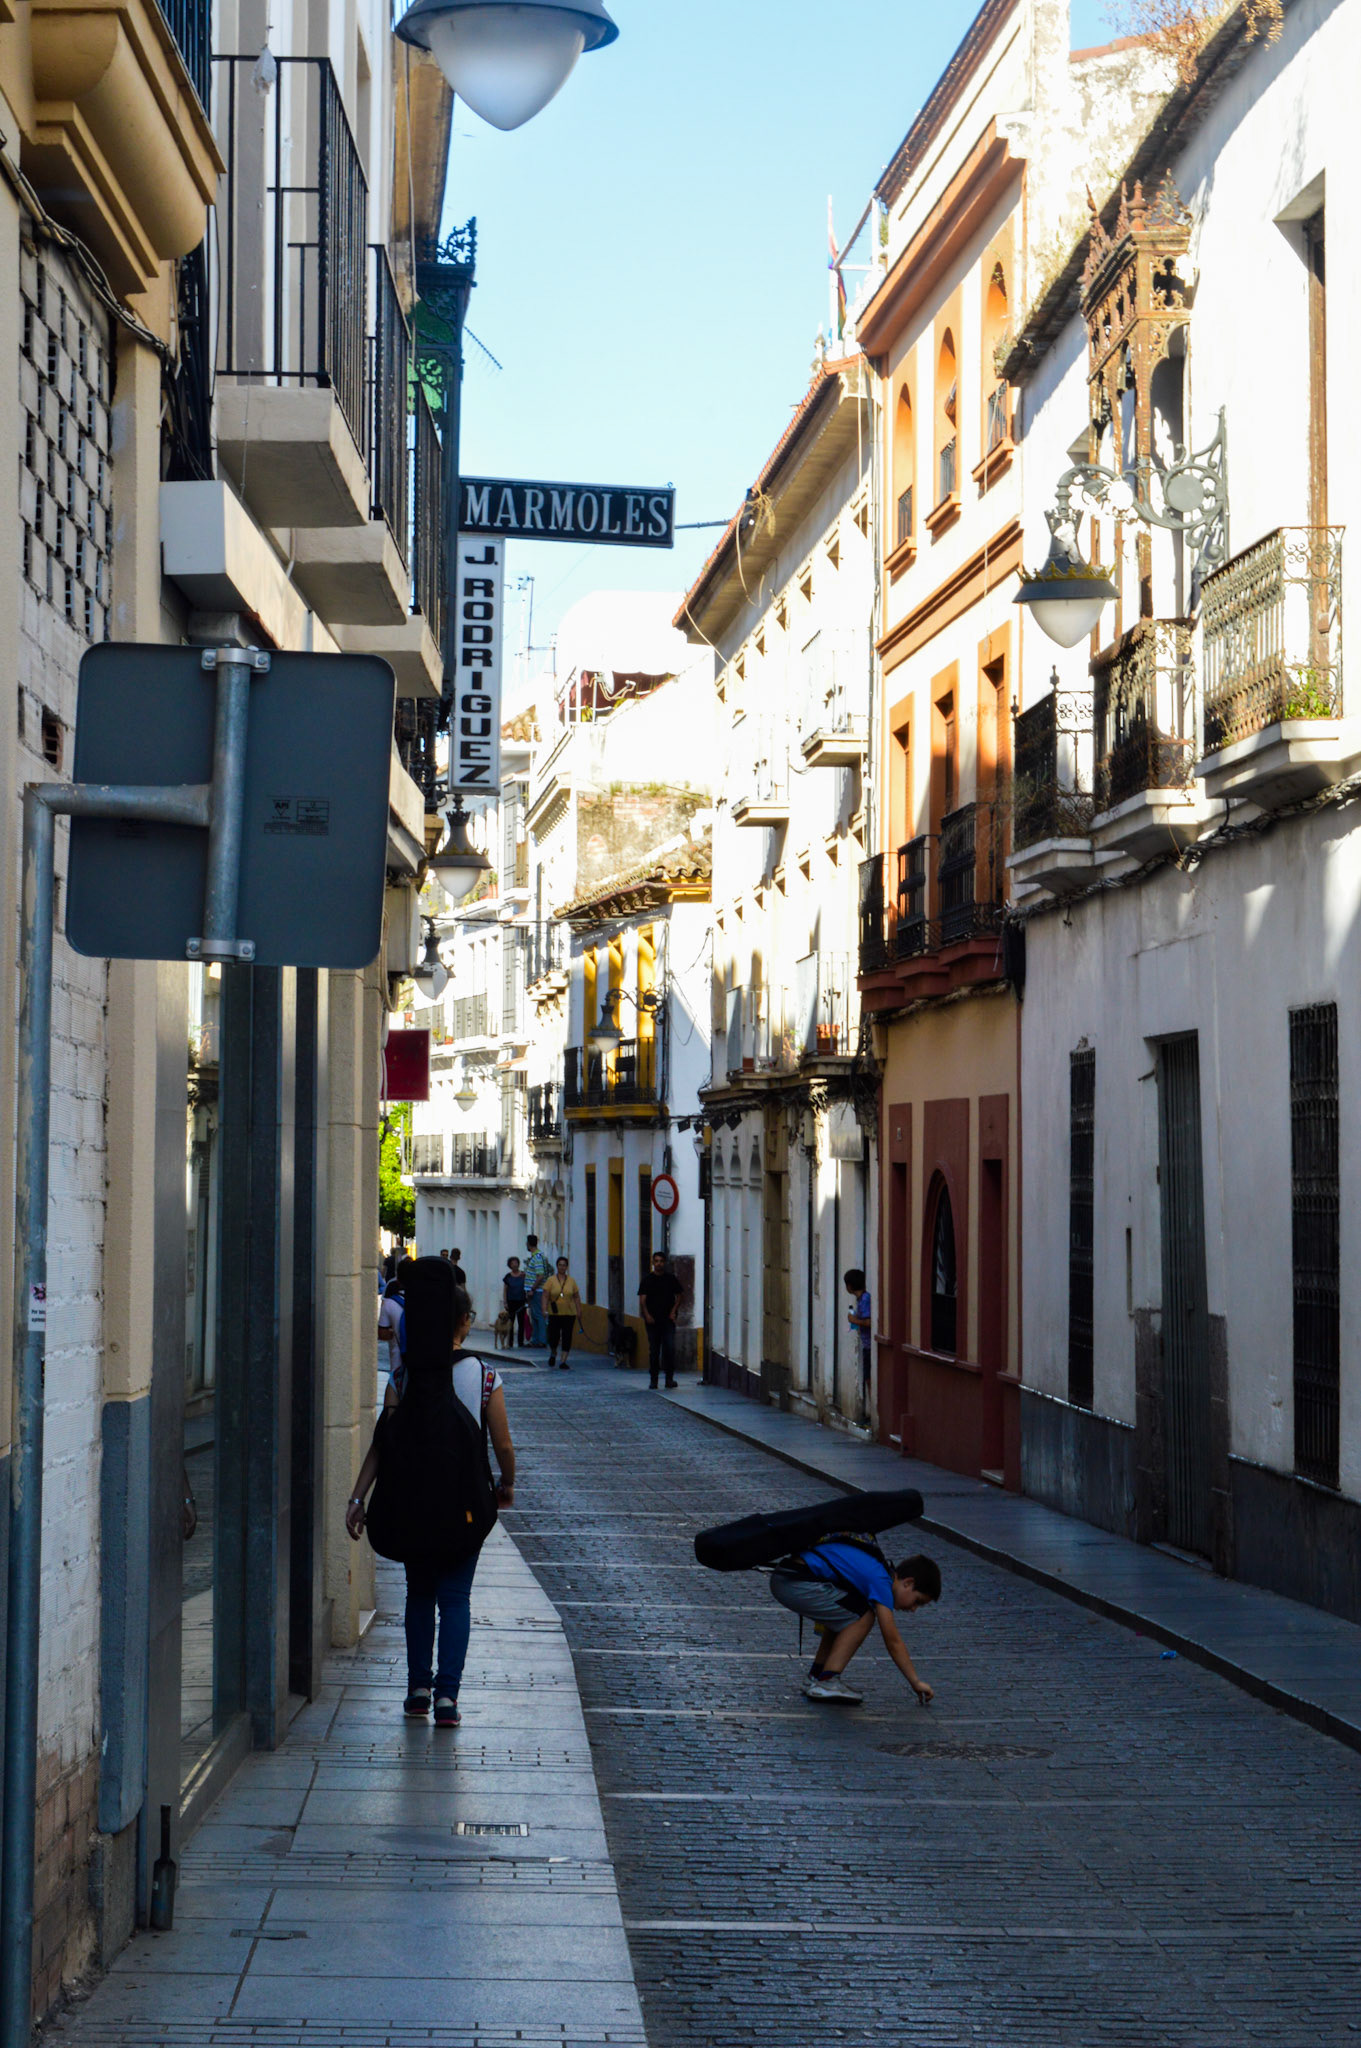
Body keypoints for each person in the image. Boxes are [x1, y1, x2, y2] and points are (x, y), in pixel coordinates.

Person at [346, 1271, 515, 1728]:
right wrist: (507, 1484)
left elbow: (382, 1443)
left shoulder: (403, 1377)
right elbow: (502, 1445)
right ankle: (447, 1698)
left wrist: (358, 1499)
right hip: (464, 1506)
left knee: (419, 1594)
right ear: (462, 1322)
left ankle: (418, 1690)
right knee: (456, 1598)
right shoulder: (485, 1377)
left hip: (414, 1502)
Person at [769, 1544, 940, 1705]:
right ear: (908, 1583)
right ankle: (828, 1681)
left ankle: (816, 1676)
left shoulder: (879, 1570)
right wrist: (915, 1681)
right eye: (917, 1601)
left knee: (845, 1614)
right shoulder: (881, 1581)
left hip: (788, 1576)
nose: (914, 1609)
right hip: (795, 1582)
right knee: (864, 1616)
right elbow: (893, 1641)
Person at [639, 1249, 683, 1389]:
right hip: (652, 1321)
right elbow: (642, 1300)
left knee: (669, 1349)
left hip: (667, 1320)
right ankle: (654, 1380)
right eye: (656, 1261)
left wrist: (673, 1311)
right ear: (653, 1263)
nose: (659, 1264)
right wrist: (647, 1315)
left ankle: (669, 1379)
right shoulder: (647, 1280)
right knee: (654, 1351)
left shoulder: (671, 1279)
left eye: (661, 1261)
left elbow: (679, 1295)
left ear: (665, 1263)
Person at [378, 1258, 414, 1394]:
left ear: (398, 1278)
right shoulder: (425, 1302)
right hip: (420, 1366)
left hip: (397, 1366)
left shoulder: (389, 1304)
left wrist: (394, 1332)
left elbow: (382, 1334)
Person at [543, 1257, 584, 1369]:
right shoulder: (551, 1280)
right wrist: (544, 1309)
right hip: (554, 1313)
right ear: (557, 1266)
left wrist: (579, 1309)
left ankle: (563, 1361)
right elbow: (545, 1295)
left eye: (564, 1265)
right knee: (553, 1336)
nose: (562, 1267)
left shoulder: (571, 1281)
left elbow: (576, 1296)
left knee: (567, 1336)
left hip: (569, 1313)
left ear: (567, 1267)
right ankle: (553, 1352)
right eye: (560, 1265)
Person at [845, 1268, 872, 1391]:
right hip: (867, 1345)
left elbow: (869, 1322)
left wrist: (854, 1320)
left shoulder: (865, 1299)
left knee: (869, 1378)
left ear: (849, 1286)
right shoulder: (861, 1299)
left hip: (869, 1346)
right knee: (867, 1378)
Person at [524, 1234, 552, 1347]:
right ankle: (535, 1339)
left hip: (537, 1291)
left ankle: (541, 1340)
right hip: (535, 1291)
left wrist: (532, 1289)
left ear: (529, 1244)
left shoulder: (537, 1257)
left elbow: (540, 1275)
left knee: (539, 1315)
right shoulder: (536, 1256)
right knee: (534, 1315)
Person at [502, 1256, 529, 1346]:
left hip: (521, 1301)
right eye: (512, 1263)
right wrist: (505, 1302)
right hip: (511, 1301)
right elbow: (505, 1290)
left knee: (521, 1322)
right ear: (510, 1265)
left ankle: (520, 1342)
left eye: (516, 1263)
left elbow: (527, 1287)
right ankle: (510, 1342)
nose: (514, 1265)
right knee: (510, 1322)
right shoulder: (508, 1277)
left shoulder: (523, 1275)